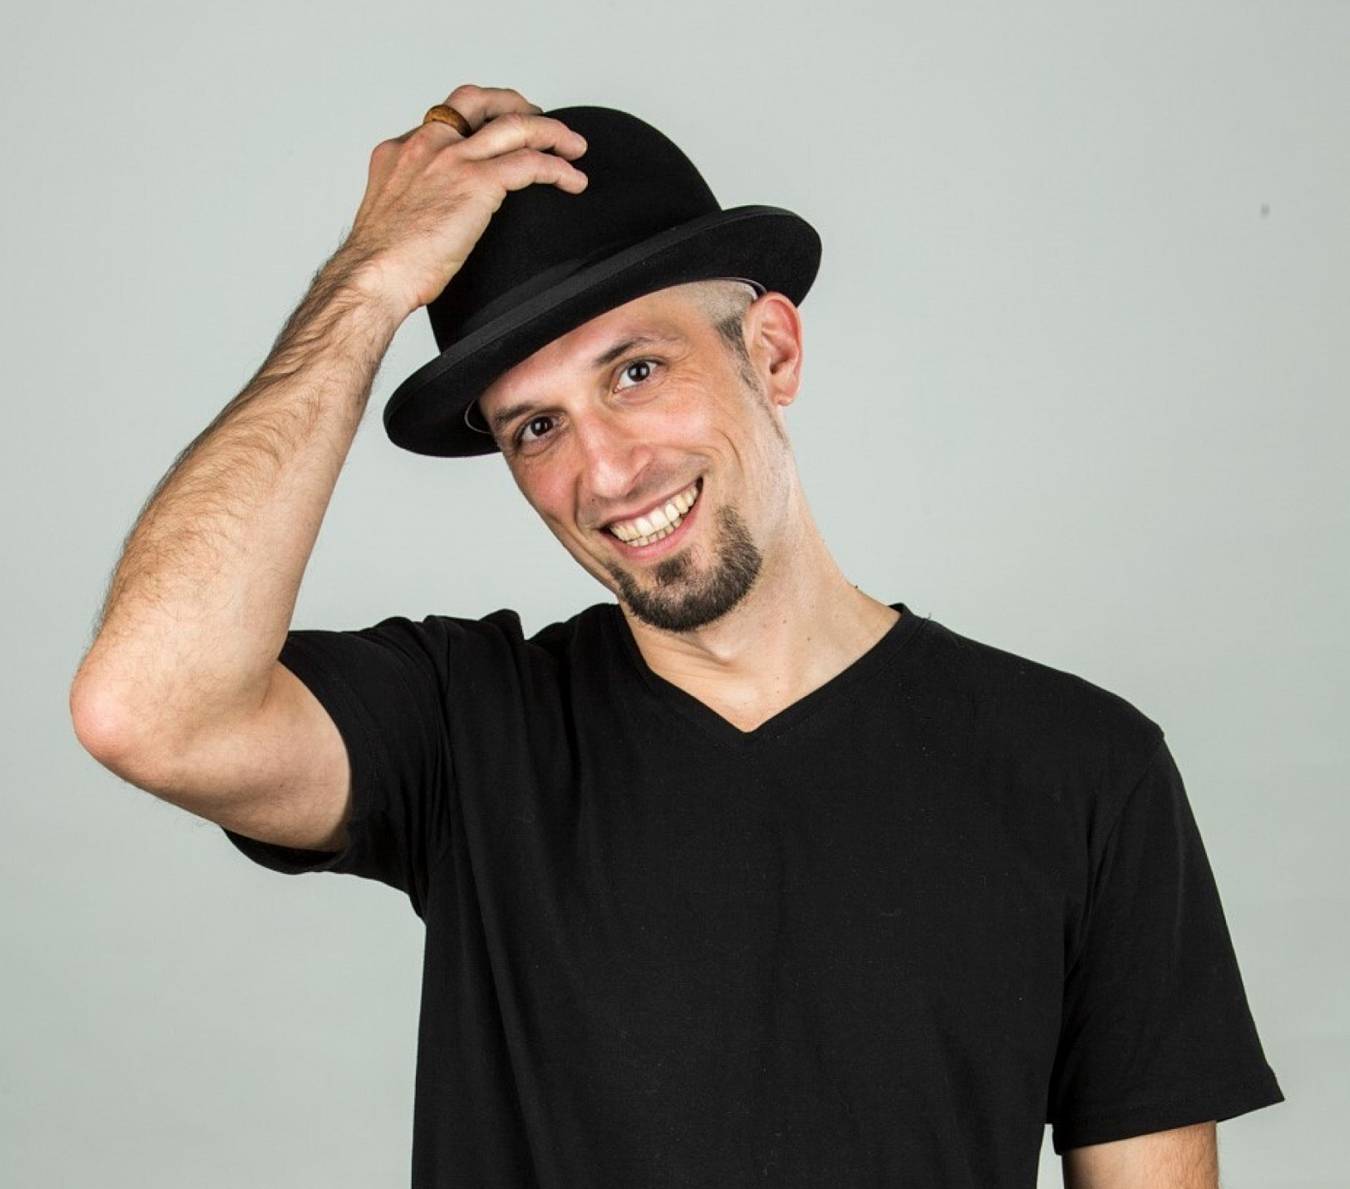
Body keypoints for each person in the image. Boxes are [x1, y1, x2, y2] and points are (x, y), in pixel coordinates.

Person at [70, 84, 1284, 1187]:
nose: (604, 470)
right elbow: (147, 709)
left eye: (637, 371)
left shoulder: (1082, 770)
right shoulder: (468, 728)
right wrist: (366, 286)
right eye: (535, 427)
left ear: (773, 352)